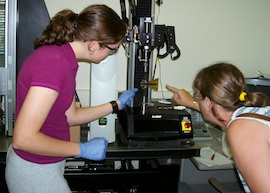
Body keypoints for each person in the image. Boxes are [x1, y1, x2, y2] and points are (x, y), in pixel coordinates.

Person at [5, 4, 138, 193]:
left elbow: (70, 116)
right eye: (112, 49)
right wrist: (81, 150)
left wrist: (115, 105)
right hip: (34, 168)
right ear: (94, 45)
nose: (111, 54)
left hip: (46, 164)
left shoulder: (66, 60)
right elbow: (23, 139)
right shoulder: (54, 64)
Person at [166, 62, 270, 193]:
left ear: (208, 102)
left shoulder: (241, 130)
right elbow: (215, 110)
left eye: (199, 97)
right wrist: (190, 102)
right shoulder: (254, 112)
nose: (198, 101)